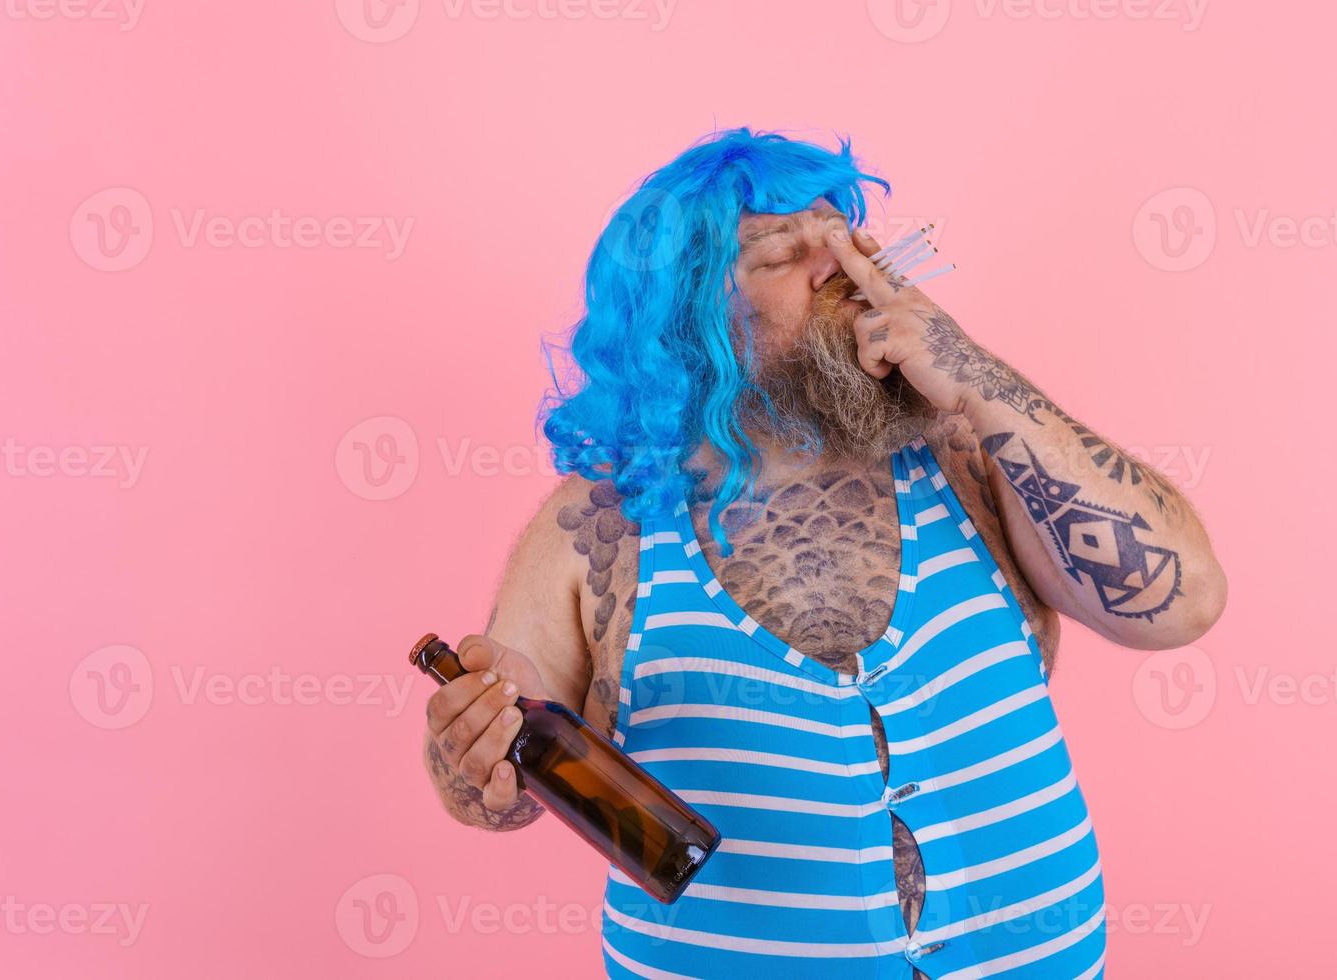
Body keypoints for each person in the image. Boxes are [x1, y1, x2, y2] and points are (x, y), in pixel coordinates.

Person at [421, 127, 1226, 978]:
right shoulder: (594, 529)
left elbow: (1181, 605)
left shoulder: (967, 455)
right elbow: (494, 797)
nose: (841, 261)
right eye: (785, 251)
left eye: (844, 234)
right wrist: (467, 750)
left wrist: (976, 377)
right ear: (687, 313)